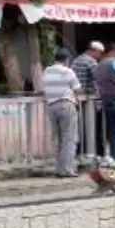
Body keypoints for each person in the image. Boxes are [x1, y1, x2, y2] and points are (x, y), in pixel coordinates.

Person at [42, 48, 84, 177]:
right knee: (69, 138)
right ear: (67, 59)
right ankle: (67, 169)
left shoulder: (47, 71)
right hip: (65, 104)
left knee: (58, 139)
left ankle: (59, 169)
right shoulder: (67, 71)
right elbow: (78, 90)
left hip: (51, 106)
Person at [71, 41, 106, 156]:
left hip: (77, 100)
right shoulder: (90, 61)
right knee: (95, 129)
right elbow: (99, 79)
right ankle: (97, 154)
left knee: (80, 129)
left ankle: (81, 153)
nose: (100, 56)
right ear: (94, 50)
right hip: (89, 102)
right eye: (100, 53)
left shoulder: (76, 60)